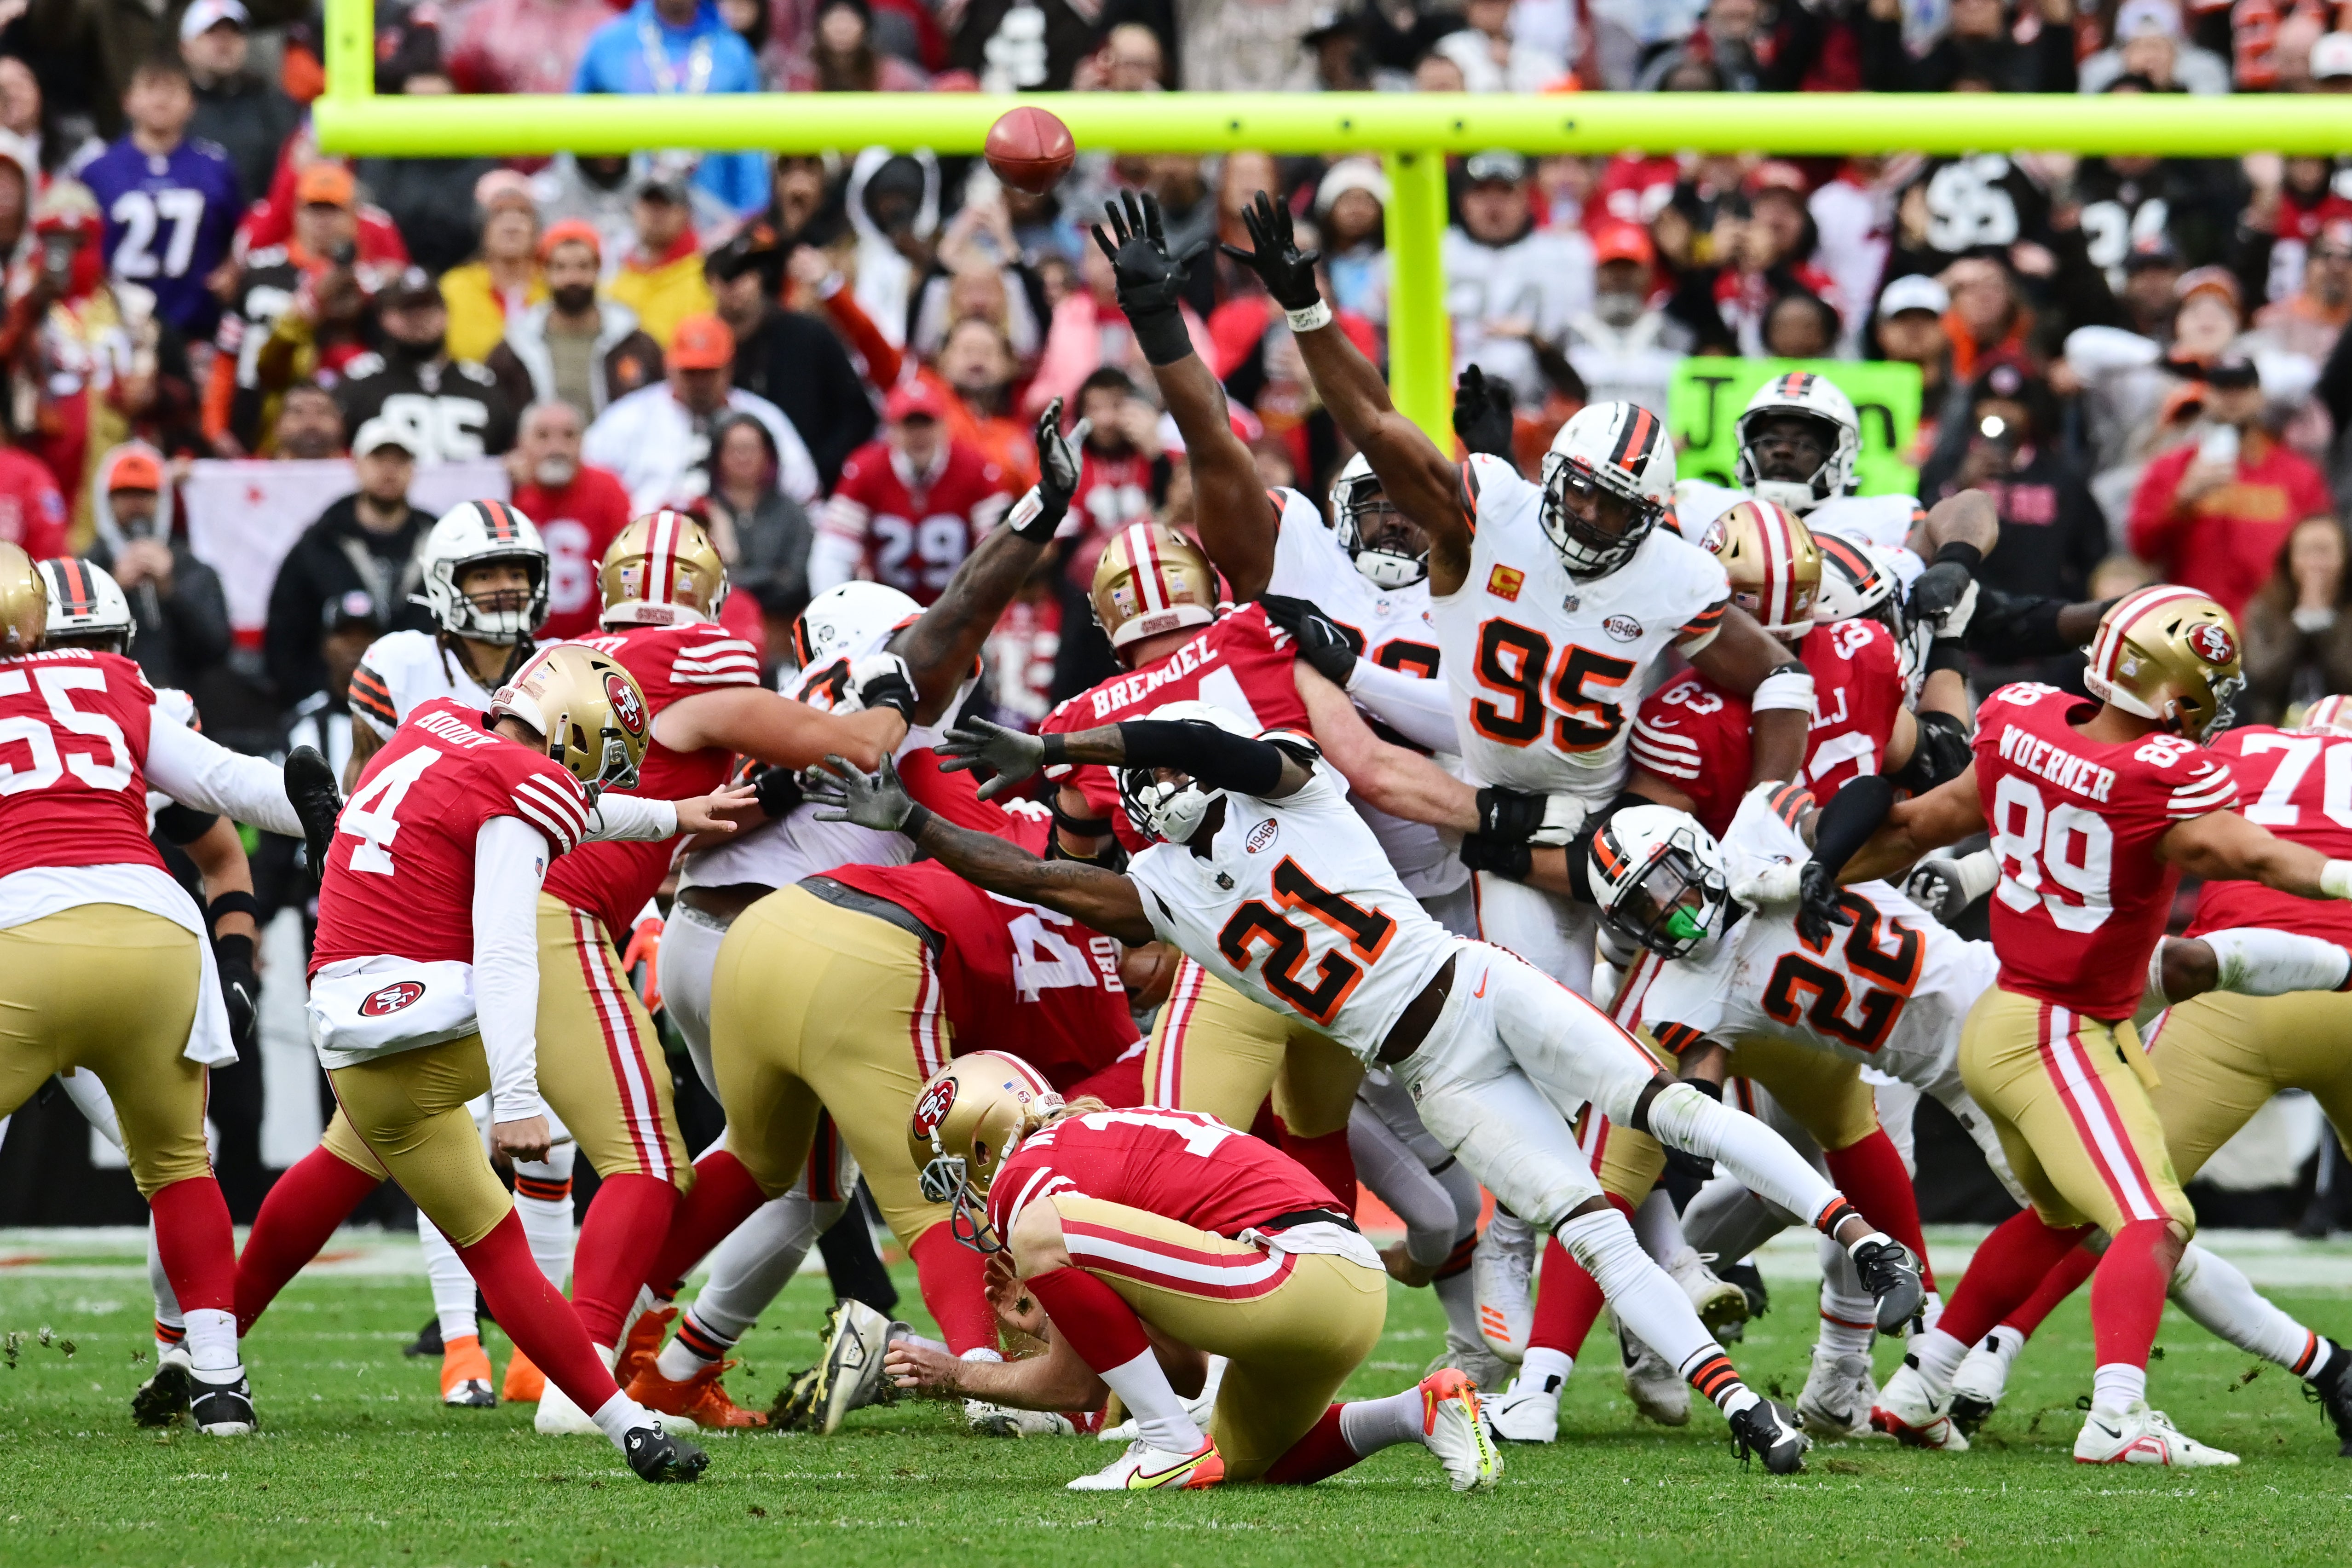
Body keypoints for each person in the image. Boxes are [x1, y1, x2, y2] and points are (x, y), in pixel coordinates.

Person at [815, 705, 1925, 1479]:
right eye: (1139, 782)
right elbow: (1037, 873)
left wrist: (1057, 743)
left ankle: (1859, 1234)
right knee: (1590, 1227)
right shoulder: (1155, 887)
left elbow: (1201, 743)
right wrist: (916, 819)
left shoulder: (1279, 782)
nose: (1155, 786)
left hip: (1472, 983)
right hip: (1436, 1070)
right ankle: (1745, 1407)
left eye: (1156, 770)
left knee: (1664, 1106)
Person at [1813, 587, 2352, 1465]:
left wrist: (1820, 871)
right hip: (2066, 1033)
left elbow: (1924, 823)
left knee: (2059, 1215)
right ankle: (2118, 1417)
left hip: (2001, 1017)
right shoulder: (2157, 774)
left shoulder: (2021, 717)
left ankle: (1918, 1386)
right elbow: (2245, 852)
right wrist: (2339, 880)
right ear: (2172, 686)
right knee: (2155, 1215)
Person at [259, 641, 751, 1481]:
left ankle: (202, 1352)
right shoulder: (525, 793)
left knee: (492, 1248)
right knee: (613, 1093)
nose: (598, 786)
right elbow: (507, 949)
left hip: (344, 1012)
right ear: (575, 736)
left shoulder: (436, 720)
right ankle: (614, 1380)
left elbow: (566, 809)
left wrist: (672, 817)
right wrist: (520, 1095)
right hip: (421, 1030)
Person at [0, 539, 310, 1437]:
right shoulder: (130, 693)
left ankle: (187, 1350)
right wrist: (332, 808)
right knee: (180, 1164)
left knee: (180, 1161)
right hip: (150, 938)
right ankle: (219, 1377)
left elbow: (217, 842)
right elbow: (234, 790)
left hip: (22, 940)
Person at [881, 1054, 1499, 1492]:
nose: (967, 1201)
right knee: (1250, 1464)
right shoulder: (1099, 1140)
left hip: (1287, 1271)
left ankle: (1168, 1445)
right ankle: (1419, 1412)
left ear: (983, 1149)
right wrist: (1054, 1322)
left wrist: (959, 1372)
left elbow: (1078, 1391)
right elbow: (1185, 1370)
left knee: (1040, 1233)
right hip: (1348, 1287)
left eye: (957, 1179)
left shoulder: (1029, 1174)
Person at [344, 499, 550, 790]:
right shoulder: (398, 665)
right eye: (485, 576)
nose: (505, 587)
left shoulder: (558, 667)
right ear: (445, 584)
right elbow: (361, 799)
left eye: (517, 575)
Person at [2127, 354, 2335, 622]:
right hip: (2195, 625)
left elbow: (2325, 548)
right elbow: (2142, 549)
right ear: (2205, 395)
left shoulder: (2299, 474)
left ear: (2260, 396)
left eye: (2242, 389)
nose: (2232, 398)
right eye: (2222, 389)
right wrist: (2182, 500)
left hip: (2273, 628)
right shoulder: (2171, 468)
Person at [208, 163, 396, 457]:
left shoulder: (370, 283)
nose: (323, 220)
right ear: (296, 212)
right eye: (314, 209)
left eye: (333, 210)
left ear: (353, 217)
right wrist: (215, 427)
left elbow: (384, 363)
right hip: (258, 418)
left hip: (343, 425)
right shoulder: (259, 271)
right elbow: (226, 355)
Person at [260, 418, 436, 708]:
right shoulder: (317, 545)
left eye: (401, 459)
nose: (389, 470)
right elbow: (284, 637)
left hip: (424, 710)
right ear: (356, 464)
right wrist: (315, 704)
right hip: (334, 710)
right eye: (379, 458)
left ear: (413, 469)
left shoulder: (442, 545)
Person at [78, 54, 239, 339]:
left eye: (173, 90)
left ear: (192, 104)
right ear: (127, 101)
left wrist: (233, 268)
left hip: (197, 326)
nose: (161, 99)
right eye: (151, 88)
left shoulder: (215, 166)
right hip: (116, 327)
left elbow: (243, 231)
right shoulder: (97, 168)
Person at [704, 225, 875, 491]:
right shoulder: (700, 348)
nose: (735, 284)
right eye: (725, 275)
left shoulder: (809, 335)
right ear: (710, 281)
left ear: (761, 277)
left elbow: (858, 415)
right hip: (727, 493)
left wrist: (820, 471)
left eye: (744, 272)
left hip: (812, 491)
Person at [812, 380, 1013, 605]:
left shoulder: (975, 469)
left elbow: (999, 551)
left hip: (956, 609)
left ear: (944, 426)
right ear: (891, 430)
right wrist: (836, 612)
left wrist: (979, 609)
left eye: (926, 424)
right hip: (885, 610)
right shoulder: (866, 470)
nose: (919, 435)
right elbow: (833, 553)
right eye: (909, 425)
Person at [573, 0, 767, 217]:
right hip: (624, 227)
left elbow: (750, 158)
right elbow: (571, 143)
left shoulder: (734, 54)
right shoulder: (607, 46)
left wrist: (752, 223)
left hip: (714, 228)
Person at [1441, 150, 1593, 409]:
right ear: (1464, 200)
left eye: (1505, 192)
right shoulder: (1434, 253)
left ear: (1527, 197)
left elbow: (1580, 349)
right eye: (1481, 192)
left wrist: (1534, 339)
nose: (1493, 204)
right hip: (1445, 397)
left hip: (1535, 403)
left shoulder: (1566, 253)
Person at [334, 268, 520, 464]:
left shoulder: (481, 383)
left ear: (446, 314)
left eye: (428, 307)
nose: (419, 319)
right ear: (384, 318)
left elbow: (508, 449)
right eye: (408, 309)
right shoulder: (361, 381)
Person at [486, 220, 663, 425]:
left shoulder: (637, 344)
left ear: (598, 269)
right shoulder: (515, 349)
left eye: (583, 266)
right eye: (561, 268)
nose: (573, 278)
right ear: (544, 273)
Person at [86, 441, 229, 692]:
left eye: (146, 493)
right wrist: (113, 589)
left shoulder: (193, 568)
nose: (136, 504)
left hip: (185, 698)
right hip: (111, 696)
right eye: (125, 493)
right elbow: (68, 650)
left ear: (162, 499)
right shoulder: (85, 569)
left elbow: (216, 649)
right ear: (106, 500)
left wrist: (171, 591)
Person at [506, 399, 636, 641]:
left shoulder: (607, 489)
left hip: (590, 644)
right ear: (521, 444)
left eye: (569, 436)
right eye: (543, 436)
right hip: (516, 645)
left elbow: (627, 569)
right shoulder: (505, 489)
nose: (557, 448)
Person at [698, 409, 813, 639]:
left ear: (768, 454)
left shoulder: (793, 513)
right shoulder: (702, 513)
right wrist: (770, 578)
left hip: (784, 628)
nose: (743, 457)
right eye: (734, 449)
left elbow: (797, 579)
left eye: (751, 448)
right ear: (717, 456)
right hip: (720, 632)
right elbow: (701, 582)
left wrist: (739, 581)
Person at [179, 0, 300, 205]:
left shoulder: (274, 104)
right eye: (211, 33)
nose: (224, 42)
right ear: (186, 48)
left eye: (234, 32)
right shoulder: (169, 106)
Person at [2240, 517, 2352, 724]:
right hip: (2275, 724)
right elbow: (2260, 677)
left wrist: (2323, 622)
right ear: (2290, 558)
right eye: (2307, 552)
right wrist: (2300, 624)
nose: (2315, 563)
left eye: (2324, 551)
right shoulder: (2265, 606)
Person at [439, 170, 548, 365]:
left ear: (537, 231)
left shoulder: (553, 286)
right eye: (499, 214)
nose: (512, 224)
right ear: (483, 230)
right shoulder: (455, 287)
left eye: (523, 214)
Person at [600, 173, 715, 352]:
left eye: (665, 205)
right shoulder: (617, 281)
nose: (655, 214)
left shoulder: (706, 279)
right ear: (635, 210)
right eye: (649, 204)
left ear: (685, 214)